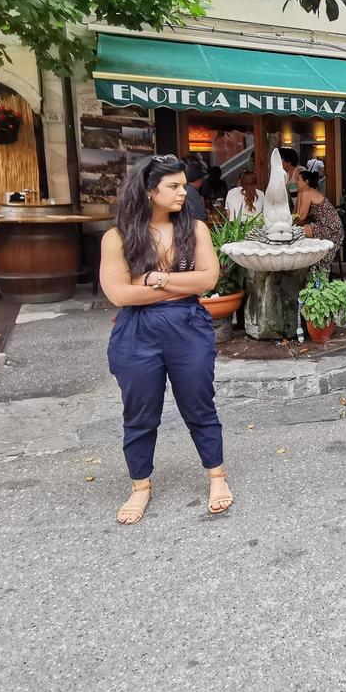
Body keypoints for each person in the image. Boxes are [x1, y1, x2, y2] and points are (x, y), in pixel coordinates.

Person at [99, 154, 231, 525]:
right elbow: (120, 295)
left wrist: (154, 280)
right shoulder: (118, 238)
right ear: (147, 191)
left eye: (183, 184)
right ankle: (140, 486)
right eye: (173, 186)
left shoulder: (196, 230)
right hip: (136, 332)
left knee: (199, 404)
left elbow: (207, 281)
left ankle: (216, 477)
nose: (182, 191)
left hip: (188, 327)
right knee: (139, 413)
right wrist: (176, 286)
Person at [293, 167, 344, 277]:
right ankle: (304, 264)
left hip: (331, 229)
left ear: (306, 182)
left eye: (298, 180)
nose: (295, 182)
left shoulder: (308, 192)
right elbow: (296, 214)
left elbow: (300, 217)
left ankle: (307, 265)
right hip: (323, 226)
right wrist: (299, 194)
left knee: (302, 230)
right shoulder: (304, 192)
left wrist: (290, 222)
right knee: (300, 229)